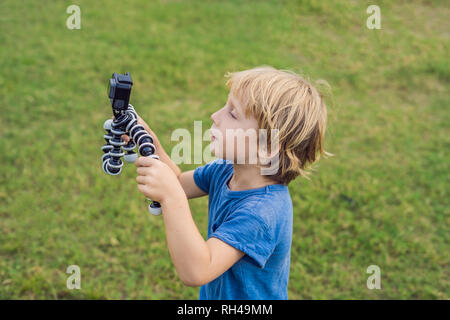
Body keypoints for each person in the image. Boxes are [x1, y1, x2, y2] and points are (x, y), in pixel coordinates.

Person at [126, 66, 329, 299]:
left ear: (267, 147)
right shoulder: (226, 170)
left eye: (233, 114)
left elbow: (196, 270)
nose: (215, 115)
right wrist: (147, 138)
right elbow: (180, 183)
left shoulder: (261, 213)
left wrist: (172, 197)